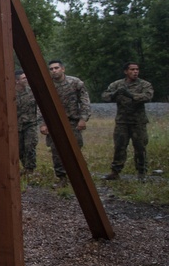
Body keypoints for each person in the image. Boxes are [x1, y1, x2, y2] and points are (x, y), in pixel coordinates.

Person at [40, 60, 90, 189]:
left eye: (56, 68)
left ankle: (80, 179)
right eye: (51, 69)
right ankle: (62, 178)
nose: (54, 71)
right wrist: (43, 123)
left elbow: (84, 101)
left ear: (63, 69)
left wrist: (83, 118)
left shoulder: (75, 83)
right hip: (54, 123)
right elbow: (41, 105)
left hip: (72, 121)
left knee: (75, 150)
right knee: (56, 151)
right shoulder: (47, 84)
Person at [101, 62, 153, 181]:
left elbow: (148, 97)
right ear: (126, 71)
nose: (135, 72)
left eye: (137, 69)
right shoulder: (117, 84)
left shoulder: (144, 84)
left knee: (140, 148)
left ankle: (141, 173)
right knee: (119, 147)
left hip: (138, 122)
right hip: (122, 122)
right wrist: (114, 94)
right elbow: (104, 96)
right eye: (132, 69)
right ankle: (115, 172)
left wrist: (130, 95)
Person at [15, 70, 41, 176]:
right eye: (24, 78)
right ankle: (25, 166)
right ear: (17, 81)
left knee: (30, 146)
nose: (26, 80)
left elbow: (39, 106)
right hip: (16, 125)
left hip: (30, 123)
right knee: (19, 148)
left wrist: (40, 121)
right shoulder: (10, 93)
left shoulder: (32, 91)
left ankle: (30, 169)